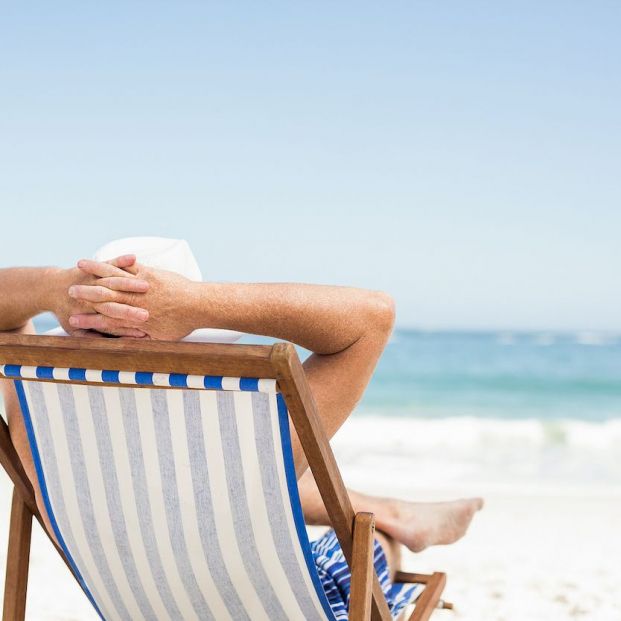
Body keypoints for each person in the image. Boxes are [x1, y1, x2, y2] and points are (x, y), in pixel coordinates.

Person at [0, 238, 483, 618]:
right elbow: (373, 316)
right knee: (368, 541)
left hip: (142, 606)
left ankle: (393, 510)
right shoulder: (246, 450)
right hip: (275, 609)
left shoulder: (38, 428)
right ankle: (393, 518)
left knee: (207, 485)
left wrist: (54, 287)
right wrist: (197, 303)